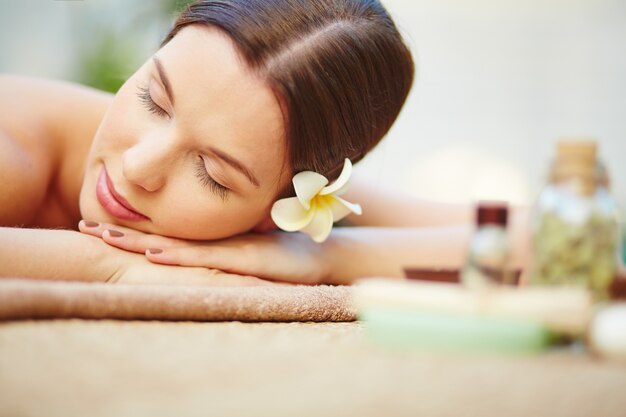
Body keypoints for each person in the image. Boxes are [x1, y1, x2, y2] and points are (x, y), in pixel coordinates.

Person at [0, 0, 529, 286]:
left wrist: (329, 257)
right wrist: (110, 266)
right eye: (154, 101)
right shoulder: (16, 150)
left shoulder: (284, 199)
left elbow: (559, 242)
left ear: (276, 212)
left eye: (212, 173)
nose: (139, 165)